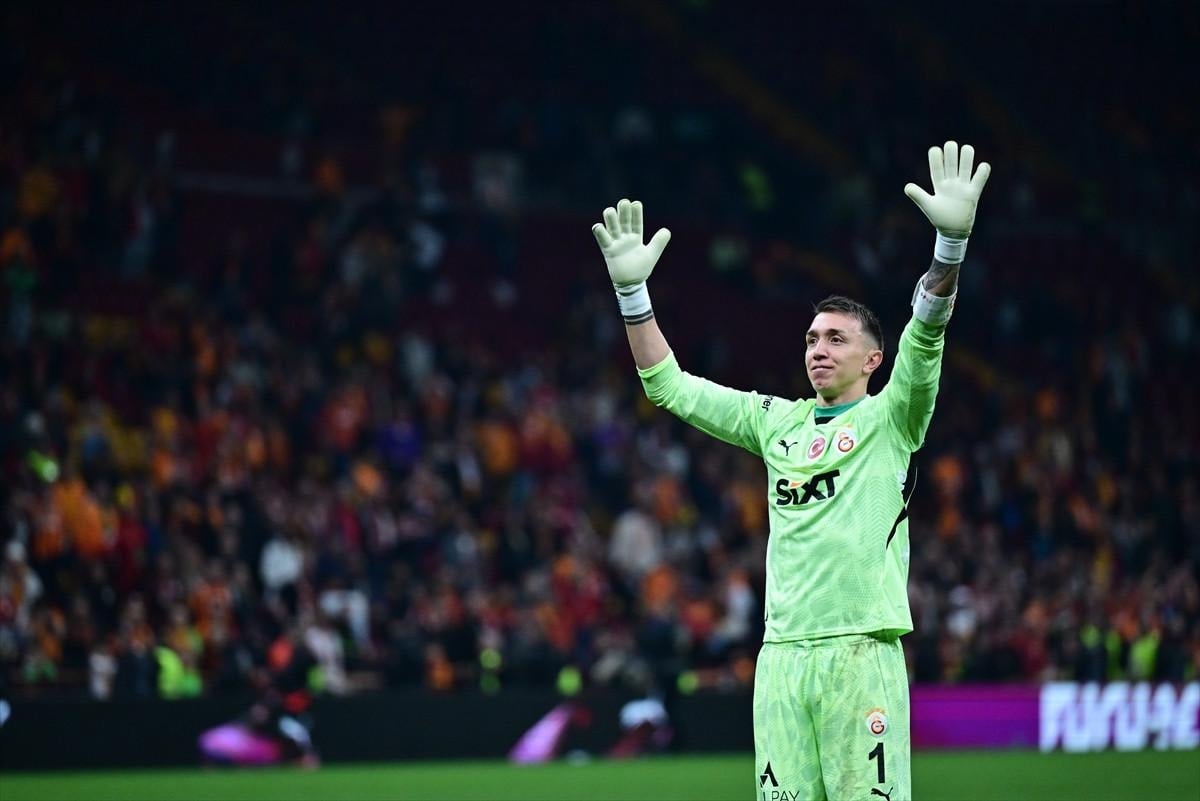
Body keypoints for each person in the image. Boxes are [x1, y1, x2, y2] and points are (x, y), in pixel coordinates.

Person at [592, 141, 991, 801]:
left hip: (859, 651)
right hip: (781, 657)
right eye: (811, 338)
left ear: (873, 359)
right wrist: (632, 293)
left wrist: (949, 249)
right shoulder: (775, 421)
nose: (818, 349)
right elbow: (668, 386)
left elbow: (926, 336)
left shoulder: (894, 416)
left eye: (836, 338)